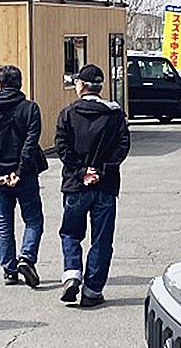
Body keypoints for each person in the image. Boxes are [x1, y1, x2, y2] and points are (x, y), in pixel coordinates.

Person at [54, 64, 131, 308]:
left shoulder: (68, 113)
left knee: (70, 232)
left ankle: (72, 273)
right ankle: (92, 290)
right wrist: (102, 170)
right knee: (102, 239)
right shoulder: (114, 114)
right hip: (105, 185)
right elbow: (123, 146)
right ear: (100, 87)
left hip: (76, 185)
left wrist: (81, 172)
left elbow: (62, 147)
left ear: (81, 85)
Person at [0, 64, 47, 288]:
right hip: (25, 175)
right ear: (20, 84)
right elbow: (30, 143)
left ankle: (9, 270)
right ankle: (26, 257)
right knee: (34, 219)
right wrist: (19, 171)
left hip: (0, 176)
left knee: (4, 223)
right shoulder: (30, 109)